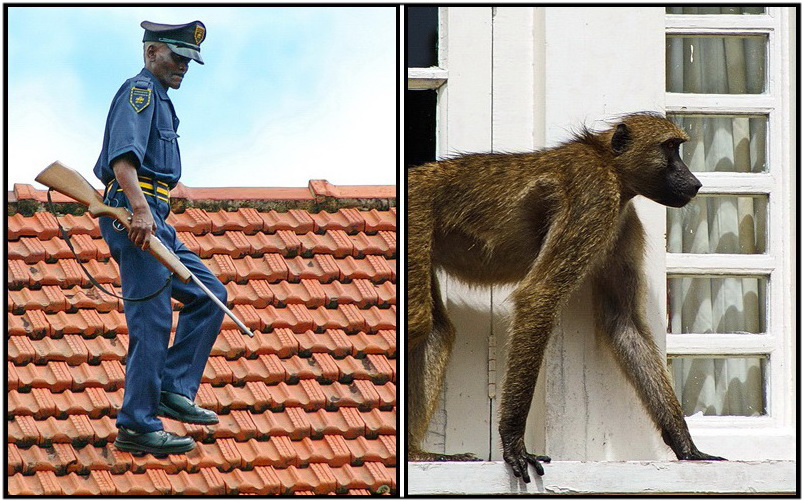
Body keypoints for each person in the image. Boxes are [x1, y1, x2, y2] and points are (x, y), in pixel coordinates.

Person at [93, 20, 227, 456]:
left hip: (156, 219)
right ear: (151, 53)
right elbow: (122, 160)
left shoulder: (163, 100)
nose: (184, 66)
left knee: (210, 294)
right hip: (136, 220)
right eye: (177, 56)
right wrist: (139, 211)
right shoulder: (142, 92)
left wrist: (151, 214)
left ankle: (173, 389)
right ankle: (137, 423)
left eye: (189, 60)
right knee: (152, 322)